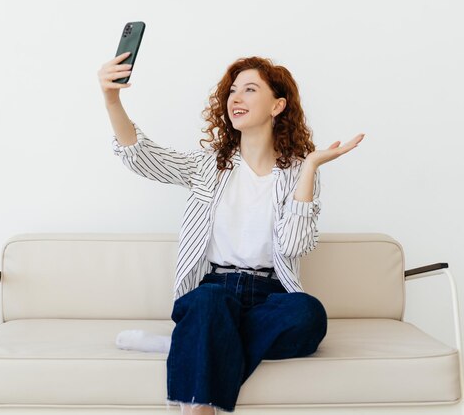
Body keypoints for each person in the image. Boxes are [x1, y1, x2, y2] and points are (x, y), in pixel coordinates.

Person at [98, 53, 365, 415]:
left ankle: (190, 343)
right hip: (215, 290)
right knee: (209, 304)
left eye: (250, 89)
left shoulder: (297, 174)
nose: (235, 98)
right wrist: (111, 98)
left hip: (270, 295)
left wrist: (310, 167)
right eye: (233, 91)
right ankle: (201, 405)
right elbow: (142, 156)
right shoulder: (208, 166)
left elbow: (294, 244)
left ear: (278, 105)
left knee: (309, 313)